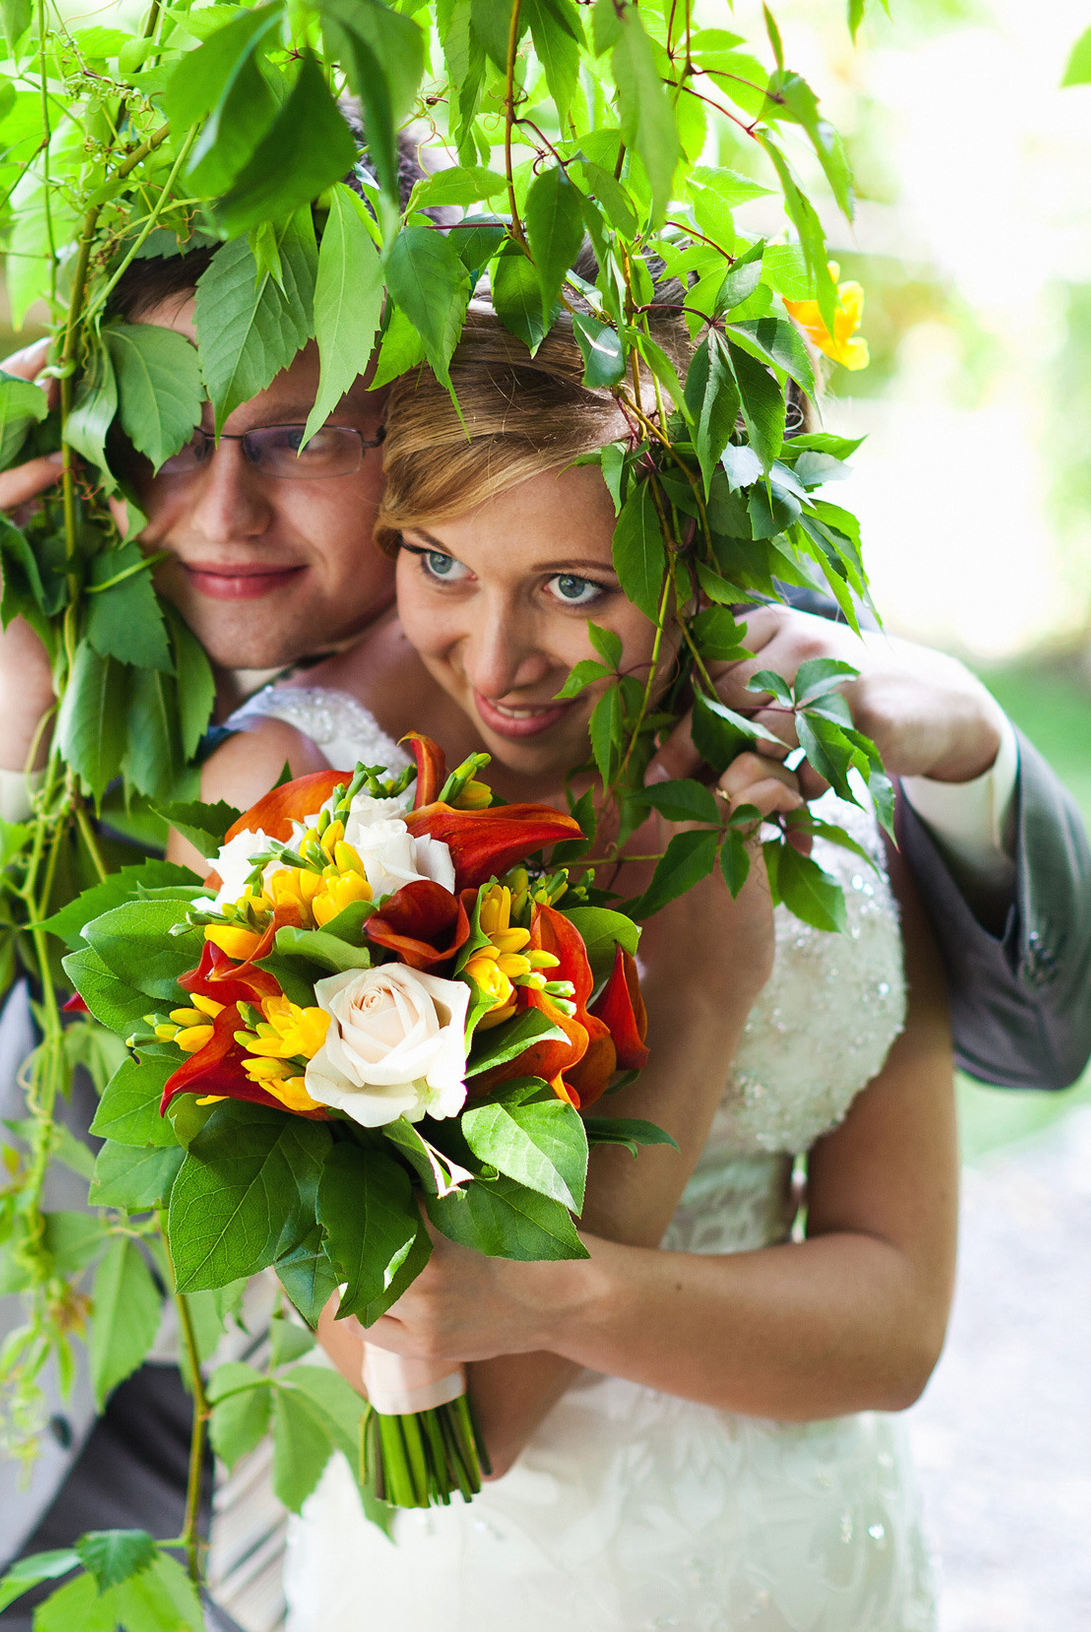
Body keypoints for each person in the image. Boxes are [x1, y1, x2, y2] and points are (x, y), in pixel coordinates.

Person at [0, 257, 1091, 1632]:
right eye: (164, 433)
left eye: (298, 435)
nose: (219, 507)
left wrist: (967, 745)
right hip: (78, 1473)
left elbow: (902, 1301)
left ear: (401, 408)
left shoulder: (702, 605)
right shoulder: (225, 743)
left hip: (786, 1548)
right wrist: (690, 999)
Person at [211, 313, 954, 1626]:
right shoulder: (297, 806)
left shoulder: (815, 757)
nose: (496, 661)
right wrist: (704, 985)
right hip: (495, 1579)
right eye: (440, 561)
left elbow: (898, 1322)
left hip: (817, 1550)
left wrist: (571, 1292)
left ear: (703, 567)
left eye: (573, 586)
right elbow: (466, 1421)